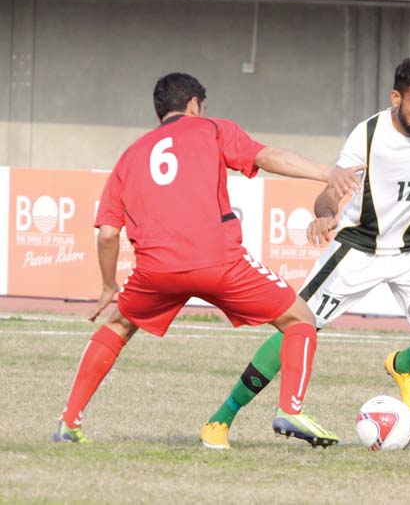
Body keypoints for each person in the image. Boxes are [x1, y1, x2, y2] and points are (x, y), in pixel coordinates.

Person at [200, 58, 410, 446]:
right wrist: (325, 215)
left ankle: (403, 365)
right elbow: (330, 191)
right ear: (395, 97)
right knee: (298, 324)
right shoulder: (367, 136)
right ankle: (221, 419)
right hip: (359, 246)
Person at [52, 72, 364, 449]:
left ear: (159, 113)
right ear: (194, 105)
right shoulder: (211, 129)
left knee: (118, 325)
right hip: (219, 262)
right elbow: (265, 156)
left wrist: (107, 286)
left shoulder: (131, 155)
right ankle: (290, 408)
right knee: (300, 319)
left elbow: (106, 234)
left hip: (157, 270)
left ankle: (69, 422)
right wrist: (327, 173)